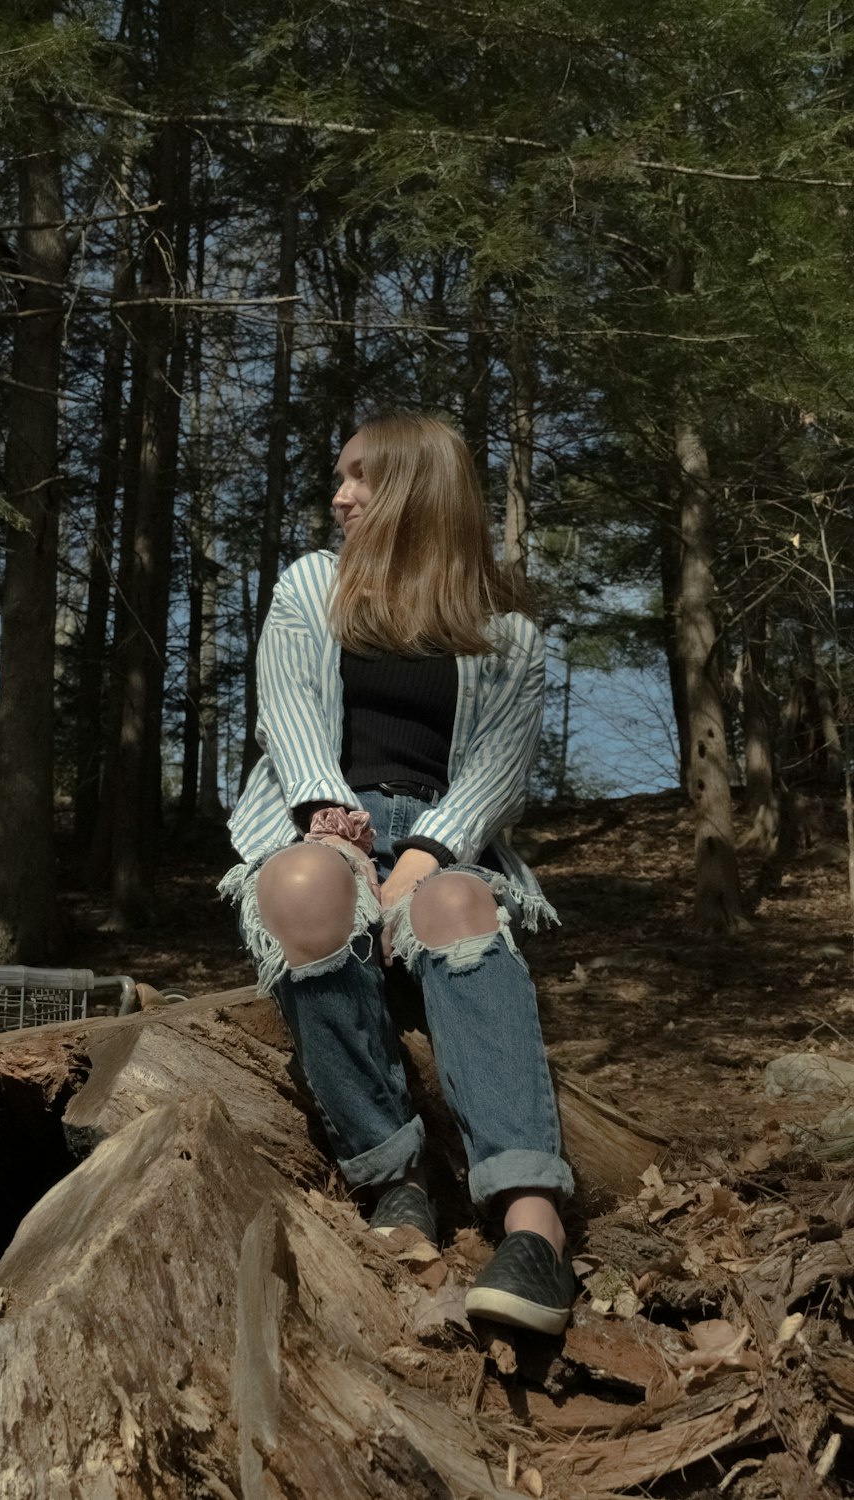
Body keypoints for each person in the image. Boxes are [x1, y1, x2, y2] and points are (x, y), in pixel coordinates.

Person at [219, 411, 575, 1335]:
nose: (339, 497)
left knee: (457, 902)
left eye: (361, 479)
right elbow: (287, 712)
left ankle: (534, 1229)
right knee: (302, 887)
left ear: (419, 490)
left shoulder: (509, 637)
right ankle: (393, 1176)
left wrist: (418, 861)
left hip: (446, 838)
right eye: (340, 479)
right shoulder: (311, 585)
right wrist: (331, 823)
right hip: (323, 809)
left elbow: (495, 776)